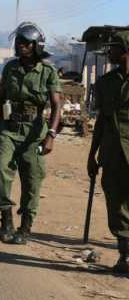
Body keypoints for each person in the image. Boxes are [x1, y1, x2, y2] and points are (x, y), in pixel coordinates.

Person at [0, 22, 62, 244]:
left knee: (32, 180)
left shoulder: (47, 71)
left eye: (25, 42)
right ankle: (6, 220)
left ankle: (25, 228)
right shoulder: (10, 68)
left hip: (35, 133)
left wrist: (51, 135)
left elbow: (57, 105)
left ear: (36, 45)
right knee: (1, 171)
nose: (20, 46)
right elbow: (2, 99)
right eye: (18, 42)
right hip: (9, 129)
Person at [88, 30, 129, 274]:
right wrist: (91, 155)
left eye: (113, 47)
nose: (108, 52)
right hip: (113, 152)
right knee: (116, 204)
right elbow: (101, 122)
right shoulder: (105, 83)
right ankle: (125, 255)